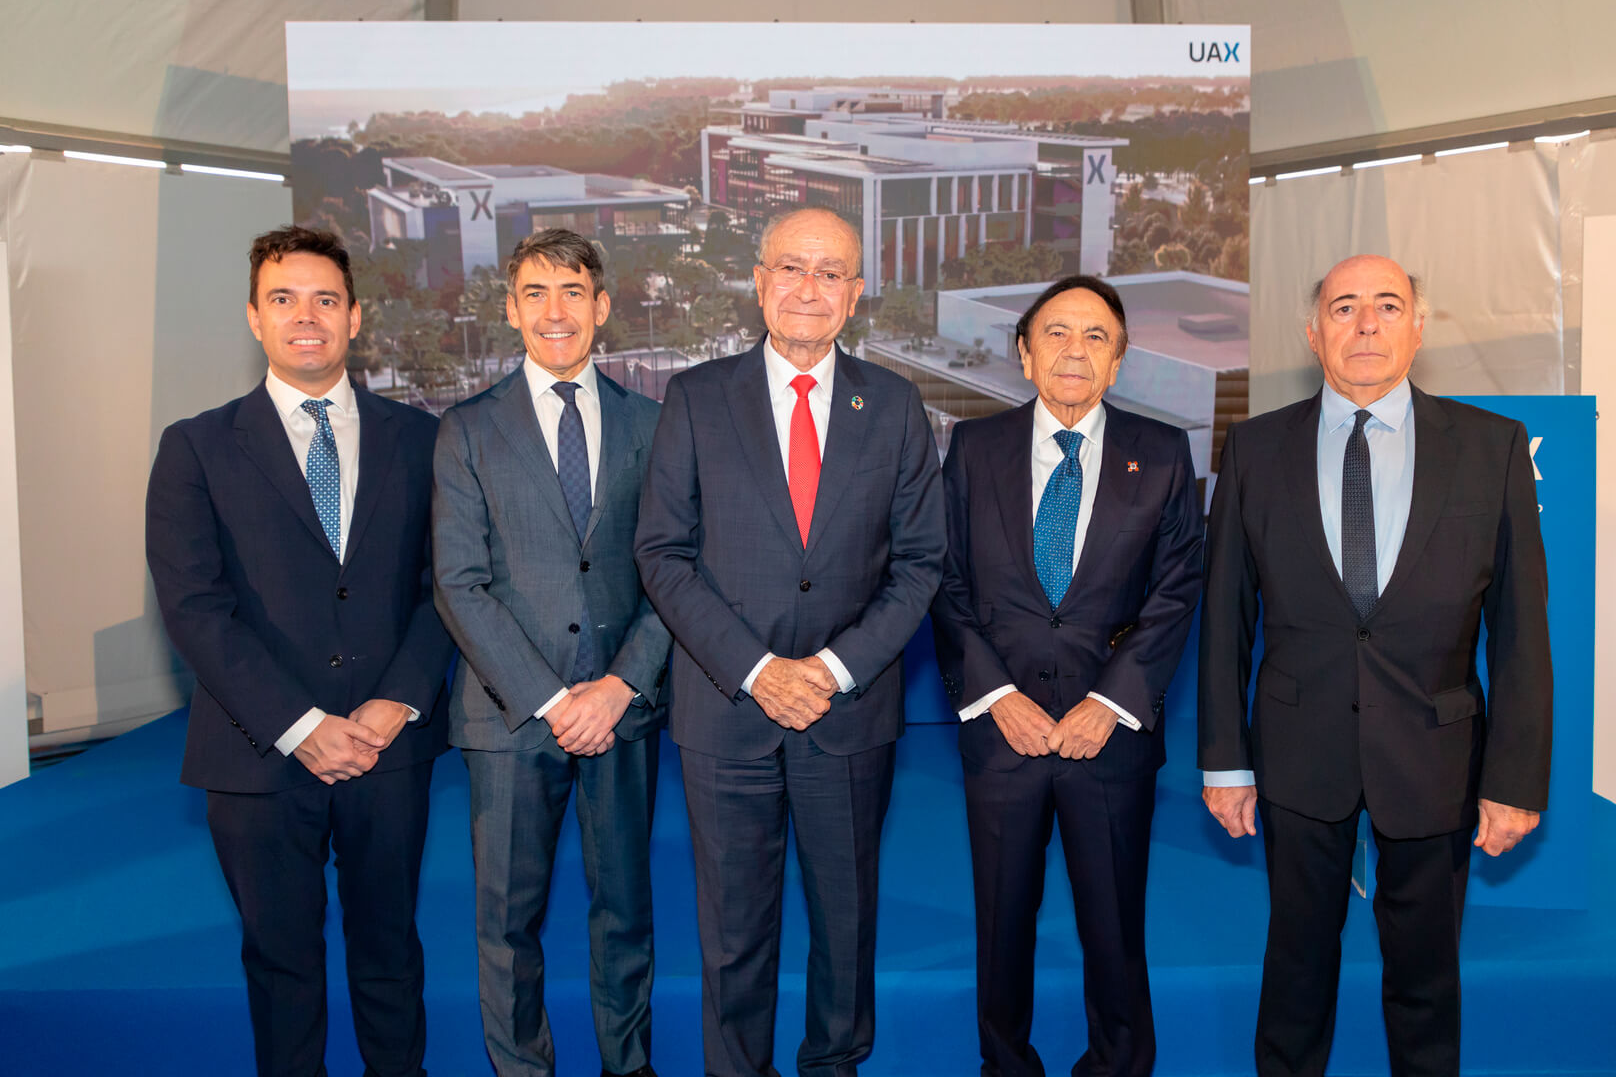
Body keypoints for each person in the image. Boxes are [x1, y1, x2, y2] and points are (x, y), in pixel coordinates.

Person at [1198, 254, 1553, 1077]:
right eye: (1344, 307)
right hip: (1296, 753)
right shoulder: (1254, 447)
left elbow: (1520, 631)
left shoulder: (1491, 446)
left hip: (1437, 755)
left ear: (1418, 328)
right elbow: (1224, 618)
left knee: (1426, 981)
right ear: (1312, 332)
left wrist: (1515, 779)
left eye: (1388, 306)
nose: (1366, 324)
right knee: (1294, 973)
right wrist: (1224, 762)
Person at [634, 206, 945, 1077]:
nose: (810, 288)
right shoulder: (696, 397)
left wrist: (833, 670)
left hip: (848, 716)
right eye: (792, 268)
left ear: (856, 292)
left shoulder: (895, 404)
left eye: (831, 272)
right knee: (734, 933)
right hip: (726, 711)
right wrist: (759, 670)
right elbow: (662, 553)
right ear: (760, 281)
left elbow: (921, 563)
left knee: (846, 928)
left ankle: (833, 1066)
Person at [145, 225, 453, 1077]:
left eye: (325, 300)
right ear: (254, 317)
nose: (305, 317)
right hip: (258, 751)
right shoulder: (196, 447)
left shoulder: (422, 439)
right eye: (283, 299)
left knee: (390, 952)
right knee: (280, 965)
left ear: (355, 317)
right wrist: (300, 724)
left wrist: (398, 701)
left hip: (389, 746)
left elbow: (447, 587)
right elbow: (194, 607)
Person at [931, 275, 1201, 1077]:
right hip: (1002, 734)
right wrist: (997, 697)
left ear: (1118, 360)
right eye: (1055, 333)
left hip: (1109, 741)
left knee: (1115, 931)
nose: (1074, 352)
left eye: (1095, 337)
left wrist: (1109, 704)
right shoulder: (973, 448)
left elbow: (1176, 589)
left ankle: (1118, 1065)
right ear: (1023, 353)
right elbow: (943, 580)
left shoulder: (1163, 453)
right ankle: (1005, 1065)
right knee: (1001, 926)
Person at [432, 229, 670, 1077]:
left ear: (601, 307)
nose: (554, 310)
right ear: (511, 310)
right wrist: (551, 699)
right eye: (535, 292)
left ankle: (628, 1065)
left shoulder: (653, 424)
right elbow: (458, 584)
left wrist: (620, 685)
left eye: (572, 291)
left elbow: (674, 573)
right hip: (509, 720)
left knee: (626, 913)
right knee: (507, 924)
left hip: (622, 714)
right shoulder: (466, 430)